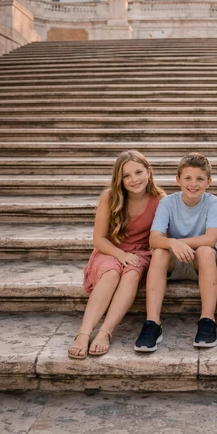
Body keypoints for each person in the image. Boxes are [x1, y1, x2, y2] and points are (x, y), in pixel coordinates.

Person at [68, 150, 165, 359]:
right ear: (118, 179)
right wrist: (120, 255)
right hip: (110, 249)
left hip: (141, 251)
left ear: (149, 172)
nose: (134, 179)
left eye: (138, 172)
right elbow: (99, 239)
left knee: (131, 273)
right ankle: (84, 333)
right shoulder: (109, 197)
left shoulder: (160, 199)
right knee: (112, 272)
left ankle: (105, 331)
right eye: (126, 176)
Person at [134, 152, 217, 352]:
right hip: (173, 263)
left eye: (200, 178)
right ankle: (152, 323)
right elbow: (154, 239)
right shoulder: (167, 202)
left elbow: (210, 238)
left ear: (209, 181)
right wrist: (173, 244)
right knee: (160, 252)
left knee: (207, 251)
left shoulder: (213, 202)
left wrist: (178, 242)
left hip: (201, 262)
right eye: (188, 178)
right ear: (178, 180)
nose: (193, 184)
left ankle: (208, 320)